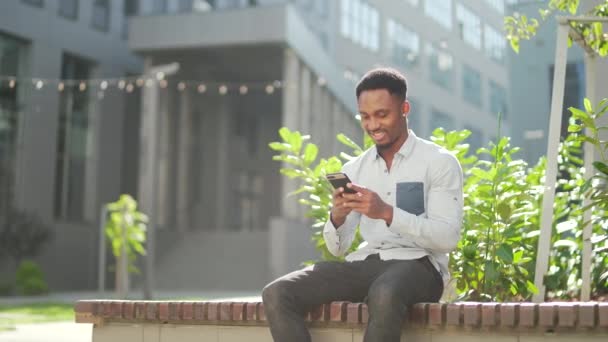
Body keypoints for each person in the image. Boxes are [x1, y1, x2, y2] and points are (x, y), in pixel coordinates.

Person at [262, 67, 463, 342]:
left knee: (385, 291)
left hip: (420, 265)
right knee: (277, 292)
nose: (373, 125)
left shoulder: (439, 162)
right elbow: (338, 248)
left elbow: (447, 238)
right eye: (365, 117)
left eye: (382, 114)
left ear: (404, 108)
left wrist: (387, 213)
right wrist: (338, 217)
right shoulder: (355, 168)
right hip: (367, 264)